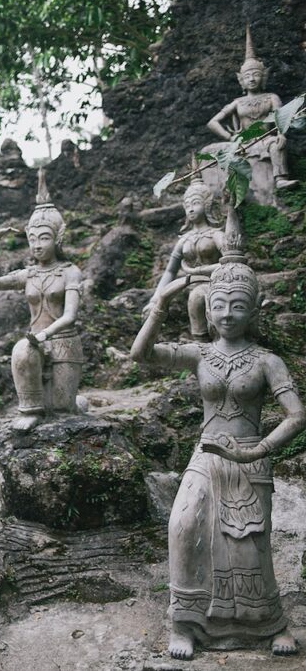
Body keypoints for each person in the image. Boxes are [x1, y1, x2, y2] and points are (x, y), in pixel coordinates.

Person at [130, 202, 305, 660]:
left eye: (238, 306)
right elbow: (141, 357)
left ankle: (269, 624)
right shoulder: (200, 354)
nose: (227, 314)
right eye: (220, 304)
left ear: (255, 310)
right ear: (208, 308)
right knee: (183, 525)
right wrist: (159, 305)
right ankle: (186, 623)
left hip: (250, 455)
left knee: (250, 545)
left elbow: (297, 415)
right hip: (207, 454)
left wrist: (257, 451)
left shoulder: (268, 360)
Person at [0, 169, 84, 431]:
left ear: (58, 238)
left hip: (63, 343)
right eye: (33, 239)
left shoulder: (70, 271)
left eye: (45, 238)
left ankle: (77, 402)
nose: (37, 245)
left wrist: (45, 335)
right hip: (34, 342)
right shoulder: (28, 274)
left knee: (63, 409)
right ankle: (31, 411)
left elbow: (70, 316)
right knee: (22, 350)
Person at [207, 27, 296, 191]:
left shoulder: (272, 97)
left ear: (263, 77)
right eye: (247, 76)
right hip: (243, 142)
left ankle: (280, 179)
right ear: (241, 80)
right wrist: (230, 137)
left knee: (276, 144)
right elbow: (212, 123)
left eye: (256, 74)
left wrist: (281, 134)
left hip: (266, 140)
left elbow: (281, 118)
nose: (252, 79)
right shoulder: (238, 102)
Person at [145, 166, 224, 341]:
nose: (191, 209)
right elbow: (170, 271)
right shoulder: (184, 240)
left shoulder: (216, 234)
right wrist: (155, 299)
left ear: (207, 204)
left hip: (219, 285)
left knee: (200, 300)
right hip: (192, 286)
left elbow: (232, 262)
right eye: (187, 205)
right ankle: (201, 351)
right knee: (192, 300)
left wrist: (197, 272)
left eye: (195, 203)